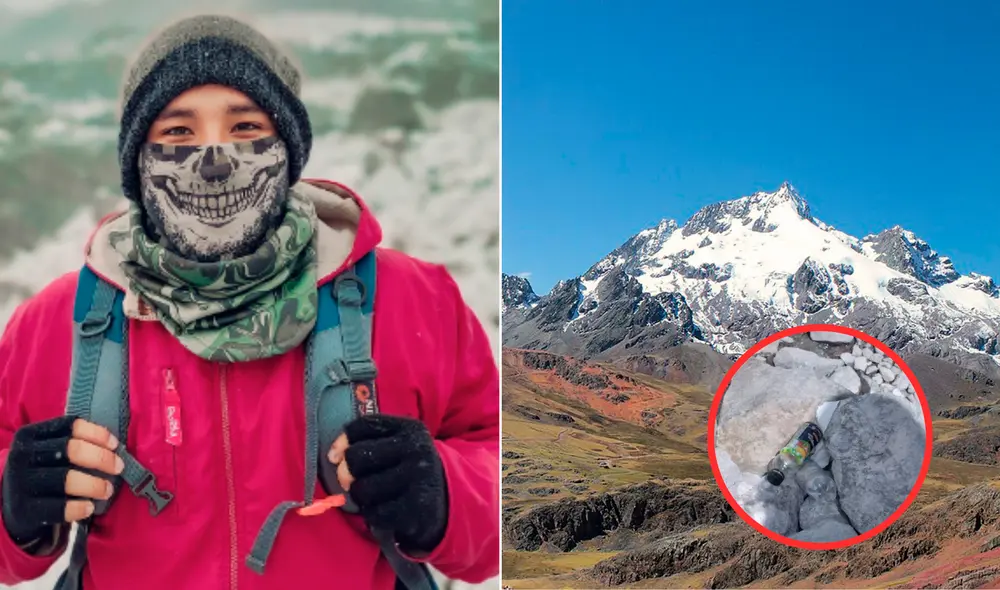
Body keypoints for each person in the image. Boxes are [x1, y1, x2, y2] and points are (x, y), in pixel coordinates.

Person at [0, 13, 499, 590]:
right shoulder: (53, 325)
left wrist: (445, 493)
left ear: (288, 145)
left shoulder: (415, 301)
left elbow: (491, 459)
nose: (215, 160)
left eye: (244, 127)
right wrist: (15, 507)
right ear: (138, 157)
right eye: (178, 132)